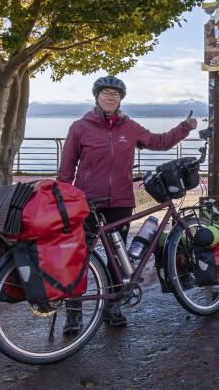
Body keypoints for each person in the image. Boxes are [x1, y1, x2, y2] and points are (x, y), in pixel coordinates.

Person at [57, 75, 197, 333]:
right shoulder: (80, 127)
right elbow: (66, 168)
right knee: (79, 256)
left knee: (116, 258)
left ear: (121, 99)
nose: (111, 97)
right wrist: (62, 199)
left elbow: (159, 142)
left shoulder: (129, 127)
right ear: (97, 97)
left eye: (115, 94)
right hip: (85, 201)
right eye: (106, 93)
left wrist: (184, 127)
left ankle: (112, 306)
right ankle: (73, 314)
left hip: (120, 200)